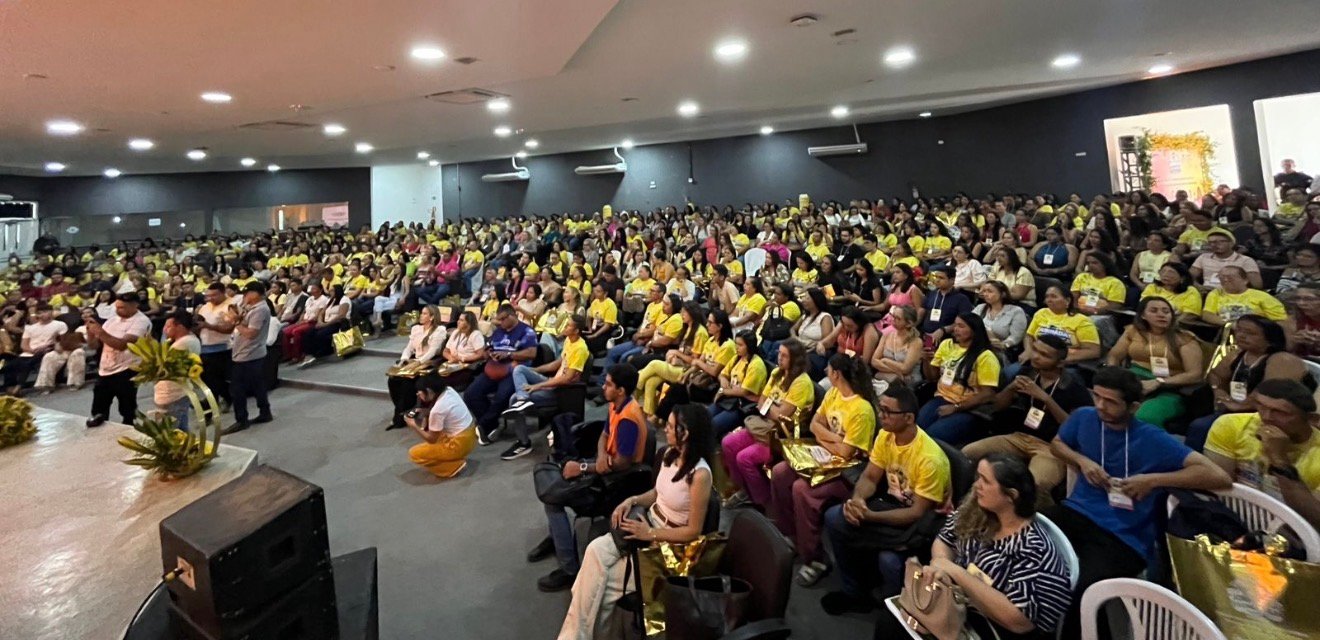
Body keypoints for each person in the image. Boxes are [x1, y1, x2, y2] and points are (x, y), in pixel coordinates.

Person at [1044, 367, 1232, 638]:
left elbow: (1218, 476)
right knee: (1015, 535)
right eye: (1097, 396)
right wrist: (1082, 461)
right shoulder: (1084, 417)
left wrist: (1153, 480)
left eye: (1110, 402)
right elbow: (1058, 444)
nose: (1100, 406)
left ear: (1133, 406)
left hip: (1123, 536)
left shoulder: (1152, 438)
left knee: (1085, 587)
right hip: (1076, 512)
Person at [557, 403, 712, 640]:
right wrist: (632, 500)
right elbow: (657, 494)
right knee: (595, 552)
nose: (665, 430)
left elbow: (693, 531)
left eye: (670, 427)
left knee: (598, 587)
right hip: (647, 524)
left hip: (667, 547)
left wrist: (649, 533)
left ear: (686, 433)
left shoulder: (700, 474)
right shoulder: (670, 455)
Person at [876, 454, 1073, 639]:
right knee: (892, 620)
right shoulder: (977, 510)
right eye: (978, 477)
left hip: (994, 627)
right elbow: (945, 540)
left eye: (985, 481)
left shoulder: (1035, 551)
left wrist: (955, 572)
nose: (977, 485)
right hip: (956, 603)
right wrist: (941, 564)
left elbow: (1019, 621)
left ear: (1011, 496)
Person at [821, 384, 951, 615]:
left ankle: (892, 616)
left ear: (909, 417)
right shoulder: (886, 435)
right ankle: (854, 592)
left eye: (887, 411)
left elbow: (917, 513)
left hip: (916, 523)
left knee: (889, 561)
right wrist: (858, 500)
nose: (881, 415)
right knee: (835, 517)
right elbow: (870, 476)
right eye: (880, 409)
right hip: (889, 504)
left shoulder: (930, 459)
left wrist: (870, 516)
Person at [529, 363, 649, 593]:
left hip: (618, 483)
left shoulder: (628, 419)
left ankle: (569, 569)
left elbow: (623, 463)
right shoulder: (617, 406)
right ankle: (559, 536)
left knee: (553, 500)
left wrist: (584, 467)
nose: (603, 386)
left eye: (609, 384)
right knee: (554, 487)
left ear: (621, 390)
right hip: (606, 470)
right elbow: (604, 436)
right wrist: (601, 455)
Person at [770, 353, 878, 587]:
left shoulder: (862, 409)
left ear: (836, 374)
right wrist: (833, 439)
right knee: (779, 473)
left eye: (829, 370)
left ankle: (815, 558)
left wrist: (827, 438)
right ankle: (792, 535)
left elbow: (848, 454)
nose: (827, 373)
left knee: (802, 489)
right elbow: (813, 425)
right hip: (823, 455)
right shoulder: (833, 393)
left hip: (847, 472)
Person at [965, 334, 1092, 507]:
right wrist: (1010, 388)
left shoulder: (1074, 387)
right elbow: (998, 406)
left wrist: (1046, 399)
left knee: (1036, 485)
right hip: (1020, 437)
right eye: (1035, 350)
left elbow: (1075, 429)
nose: (1036, 356)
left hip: (1051, 447)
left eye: (1044, 355)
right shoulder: (1028, 373)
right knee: (968, 452)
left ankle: (1043, 521)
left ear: (1061, 363)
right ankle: (978, 504)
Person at [1204, 379, 1320, 528]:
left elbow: (1316, 518)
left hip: (1297, 531)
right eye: (1261, 406)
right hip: (1236, 519)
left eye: (1280, 412)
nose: (1266, 417)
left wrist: (1279, 460)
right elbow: (1218, 488)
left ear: (1311, 419)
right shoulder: (1231, 425)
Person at [1186, 314, 1311, 451]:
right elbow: (1215, 375)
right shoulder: (1237, 353)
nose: (1241, 336)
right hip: (1235, 406)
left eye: (1250, 333)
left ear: (1270, 339)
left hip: (1272, 413)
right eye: (1239, 330)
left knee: (1201, 426)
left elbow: (1270, 392)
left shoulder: (1283, 360)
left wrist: (1240, 406)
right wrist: (1218, 391)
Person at [722, 339, 814, 510]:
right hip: (762, 425)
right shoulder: (777, 373)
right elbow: (760, 403)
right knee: (728, 443)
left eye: (784, 355)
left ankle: (763, 501)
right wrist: (772, 408)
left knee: (744, 457)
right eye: (779, 353)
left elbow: (781, 416)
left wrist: (769, 407)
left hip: (780, 436)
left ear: (796, 359)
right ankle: (745, 490)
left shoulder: (802, 383)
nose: (779, 358)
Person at [500, 315, 591, 460]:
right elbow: (557, 364)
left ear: (577, 330)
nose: (565, 327)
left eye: (568, 325)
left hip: (561, 392)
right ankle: (523, 400)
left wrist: (537, 386)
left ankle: (524, 443)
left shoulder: (580, 348)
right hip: (552, 381)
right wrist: (535, 371)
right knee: (520, 370)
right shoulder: (569, 341)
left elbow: (567, 379)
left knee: (513, 399)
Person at [1106, 297, 1204, 428]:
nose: (1161, 315)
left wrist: (1159, 382)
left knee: (1144, 417)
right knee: (1109, 408)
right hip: (1133, 381)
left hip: (1169, 388)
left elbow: (1195, 374)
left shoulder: (1184, 338)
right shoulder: (1133, 331)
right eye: (1154, 311)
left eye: (1166, 311)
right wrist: (1114, 377)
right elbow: (1114, 356)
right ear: (1143, 315)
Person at [918, 313, 1001, 447]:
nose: (956, 329)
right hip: (941, 398)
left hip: (968, 408)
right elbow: (932, 377)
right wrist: (926, 360)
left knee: (932, 438)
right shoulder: (947, 344)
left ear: (974, 330)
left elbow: (988, 394)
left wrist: (956, 408)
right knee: (916, 430)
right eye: (955, 325)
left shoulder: (986, 356)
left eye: (961, 326)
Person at [464, 304, 539, 445]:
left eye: (503, 319)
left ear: (512, 316)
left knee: (502, 397)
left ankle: (484, 425)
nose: (501, 323)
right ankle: (492, 424)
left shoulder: (527, 331)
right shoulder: (499, 331)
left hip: (514, 371)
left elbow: (532, 353)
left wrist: (509, 354)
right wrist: (489, 353)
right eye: (499, 320)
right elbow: (488, 348)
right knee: (470, 394)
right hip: (493, 368)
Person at [84, 293, 153, 427]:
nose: (118, 310)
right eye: (117, 307)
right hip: (106, 367)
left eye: (122, 308)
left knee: (127, 403)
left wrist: (100, 332)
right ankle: (99, 420)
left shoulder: (141, 321)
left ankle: (129, 425)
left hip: (128, 367)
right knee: (100, 398)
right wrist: (90, 332)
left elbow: (121, 345)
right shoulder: (112, 320)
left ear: (135, 305)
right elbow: (95, 345)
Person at [405, 374, 478, 479]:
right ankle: (452, 458)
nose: (418, 394)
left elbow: (431, 439)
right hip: (470, 434)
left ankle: (452, 467)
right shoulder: (448, 390)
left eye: (420, 392)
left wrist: (413, 425)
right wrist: (427, 413)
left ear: (429, 391)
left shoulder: (438, 410)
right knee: (433, 431)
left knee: (414, 453)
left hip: (458, 445)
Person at [386, 305, 446, 430]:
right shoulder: (416, 329)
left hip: (428, 364)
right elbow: (409, 347)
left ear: (432, 317)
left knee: (408, 385)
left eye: (424, 314)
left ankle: (400, 416)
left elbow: (433, 351)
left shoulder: (439, 330)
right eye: (422, 313)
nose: (421, 316)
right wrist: (404, 359)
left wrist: (418, 362)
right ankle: (401, 411)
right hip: (414, 361)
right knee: (393, 380)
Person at [225, 282, 273, 434]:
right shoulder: (251, 307)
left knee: (237, 388)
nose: (245, 296)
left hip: (249, 353)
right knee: (258, 385)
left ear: (256, 294)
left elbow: (251, 333)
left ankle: (242, 419)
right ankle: (265, 412)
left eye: (248, 293)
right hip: (248, 352)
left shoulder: (260, 310)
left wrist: (236, 322)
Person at [1018, 286, 1101, 370]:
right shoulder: (1041, 313)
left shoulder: (1082, 320)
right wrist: (1028, 351)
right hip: (1036, 358)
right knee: (1012, 372)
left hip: (1065, 364)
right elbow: (1029, 336)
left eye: (1054, 296)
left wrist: (1059, 359)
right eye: (1047, 296)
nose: (1049, 300)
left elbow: (1093, 351)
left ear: (1067, 300)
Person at [708, 330, 769, 437]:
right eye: (736, 344)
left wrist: (723, 391)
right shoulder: (737, 357)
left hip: (741, 405)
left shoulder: (756, 365)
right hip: (728, 399)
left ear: (749, 346)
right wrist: (723, 380)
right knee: (704, 417)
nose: (736, 347)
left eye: (740, 345)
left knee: (713, 425)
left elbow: (744, 391)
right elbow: (722, 374)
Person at [154, 310, 202, 431]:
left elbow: (166, 368)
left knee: (168, 432)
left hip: (173, 393)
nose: (165, 329)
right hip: (177, 392)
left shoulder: (184, 344)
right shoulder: (186, 340)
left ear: (179, 327)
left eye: (168, 326)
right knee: (181, 429)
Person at [3, 302, 66, 395]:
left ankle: (18, 387)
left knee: (27, 364)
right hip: (29, 352)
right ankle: (9, 388)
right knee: (9, 366)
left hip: (47, 350)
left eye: (45, 312)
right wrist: (32, 350)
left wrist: (48, 346)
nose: (42, 314)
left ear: (51, 312)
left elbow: (62, 340)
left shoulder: (59, 324)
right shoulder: (30, 328)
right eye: (40, 312)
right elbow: (23, 345)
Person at [195, 283, 236, 410]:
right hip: (204, 346)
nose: (210, 298)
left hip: (221, 347)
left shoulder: (230, 306)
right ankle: (221, 399)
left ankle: (212, 403)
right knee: (205, 377)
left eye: (214, 295)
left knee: (216, 379)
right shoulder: (205, 307)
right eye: (208, 296)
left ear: (223, 292)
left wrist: (209, 326)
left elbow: (229, 329)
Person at [1201, 265, 1287, 325]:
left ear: (1245, 280)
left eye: (1230, 278)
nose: (1225, 280)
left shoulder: (1262, 296)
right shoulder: (1216, 293)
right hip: (1225, 332)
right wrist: (1231, 325)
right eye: (1222, 278)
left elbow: (1280, 320)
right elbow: (1207, 315)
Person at [1191, 230, 1262, 291]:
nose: (1214, 245)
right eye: (1211, 242)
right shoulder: (1203, 257)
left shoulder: (1246, 260)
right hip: (1207, 293)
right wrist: (1199, 287)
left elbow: (1257, 285)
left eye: (1220, 242)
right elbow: (1189, 277)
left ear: (1231, 243)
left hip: (1234, 294)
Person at [870, 305, 923, 387]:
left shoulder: (916, 342)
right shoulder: (887, 335)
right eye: (893, 316)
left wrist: (885, 361)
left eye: (897, 318)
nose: (892, 320)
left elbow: (905, 369)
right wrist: (895, 372)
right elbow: (874, 361)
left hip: (908, 380)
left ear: (909, 324)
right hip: (890, 376)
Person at [973, 281, 1027, 357]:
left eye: (990, 291)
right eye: (984, 291)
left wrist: (1004, 344)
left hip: (999, 352)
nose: (985, 294)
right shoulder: (980, 308)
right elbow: (969, 324)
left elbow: (1016, 337)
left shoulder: (1016, 311)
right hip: (976, 347)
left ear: (1003, 294)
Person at [920, 266, 973, 343]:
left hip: (947, 339)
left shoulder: (962, 299)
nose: (937, 280)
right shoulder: (931, 294)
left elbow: (964, 322)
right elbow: (922, 310)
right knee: (927, 353)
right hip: (927, 336)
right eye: (936, 277)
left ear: (952, 280)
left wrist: (943, 330)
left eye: (941, 278)